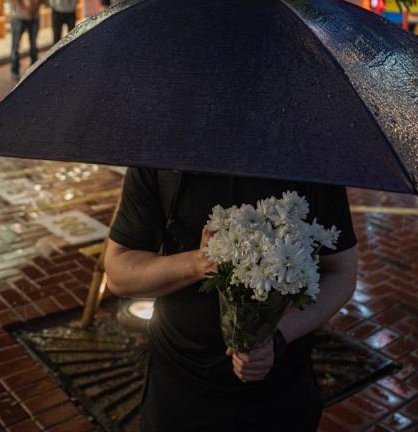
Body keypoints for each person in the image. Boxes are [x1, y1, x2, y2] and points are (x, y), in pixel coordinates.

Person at [104, 168, 358, 432]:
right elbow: (119, 273)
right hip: (180, 382)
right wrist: (199, 262)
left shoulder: (307, 158)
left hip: (279, 388)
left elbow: (341, 273)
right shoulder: (163, 154)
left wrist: (277, 338)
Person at [9, 0, 47, 80]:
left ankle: (34, 69)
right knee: (16, 44)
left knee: (33, 44)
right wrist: (24, 9)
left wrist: (34, 8)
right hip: (19, 17)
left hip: (34, 16)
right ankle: (14, 69)